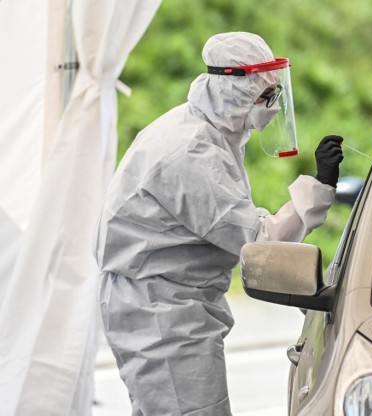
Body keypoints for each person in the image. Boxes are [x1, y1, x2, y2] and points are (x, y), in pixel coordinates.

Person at [93, 32, 344, 415]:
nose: (273, 106)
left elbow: (237, 219)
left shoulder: (210, 131)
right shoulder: (189, 153)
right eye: (264, 96)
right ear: (233, 91)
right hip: (162, 314)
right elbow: (258, 243)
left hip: (173, 303)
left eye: (276, 94)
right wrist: (319, 187)